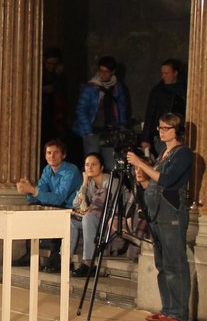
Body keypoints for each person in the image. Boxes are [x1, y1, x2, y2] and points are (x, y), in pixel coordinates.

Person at [128, 113, 193, 321]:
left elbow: (166, 180)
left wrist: (140, 163)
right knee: (162, 264)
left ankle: (179, 313)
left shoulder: (182, 154)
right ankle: (168, 308)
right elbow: (155, 186)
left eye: (166, 128)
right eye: (160, 128)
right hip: (157, 212)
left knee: (175, 263)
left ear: (177, 131)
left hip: (172, 213)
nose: (162, 131)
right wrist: (143, 180)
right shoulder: (164, 153)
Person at [15, 139, 82, 274]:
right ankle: (31, 253)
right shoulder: (47, 170)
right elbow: (41, 192)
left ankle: (56, 256)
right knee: (32, 208)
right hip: (56, 207)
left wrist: (34, 191)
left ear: (63, 155)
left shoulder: (71, 170)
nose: (52, 156)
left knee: (56, 213)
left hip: (72, 208)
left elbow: (59, 198)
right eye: (49, 153)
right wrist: (28, 190)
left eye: (56, 153)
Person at [73, 55, 129, 171]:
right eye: (101, 71)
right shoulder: (90, 88)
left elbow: (121, 108)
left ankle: (109, 188)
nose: (103, 74)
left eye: (106, 72)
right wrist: (88, 131)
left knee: (111, 165)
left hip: (110, 132)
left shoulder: (117, 88)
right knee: (92, 166)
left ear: (113, 72)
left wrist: (121, 127)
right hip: (93, 132)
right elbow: (81, 109)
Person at [66, 152, 110, 276]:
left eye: (94, 164)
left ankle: (89, 263)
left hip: (109, 222)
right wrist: (84, 183)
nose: (90, 167)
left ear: (101, 167)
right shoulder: (89, 183)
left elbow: (101, 204)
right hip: (94, 220)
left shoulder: (110, 181)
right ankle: (65, 260)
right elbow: (75, 204)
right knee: (72, 220)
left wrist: (88, 209)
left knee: (88, 218)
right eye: (87, 165)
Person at [139, 59, 187, 154]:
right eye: (162, 73)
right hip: (162, 135)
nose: (163, 76)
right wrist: (145, 138)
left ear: (175, 73)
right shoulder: (158, 91)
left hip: (180, 134)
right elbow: (150, 114)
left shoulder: (185, 89)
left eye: (166, 73)